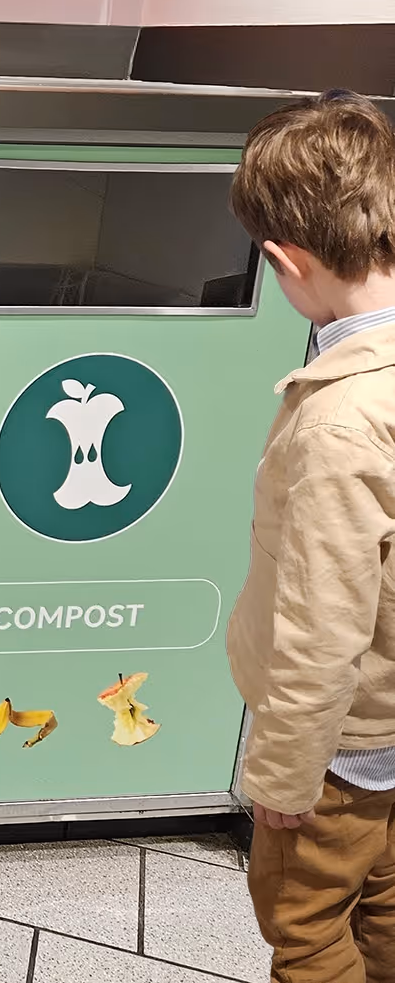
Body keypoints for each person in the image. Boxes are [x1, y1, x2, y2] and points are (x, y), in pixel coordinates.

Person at [228, 88, 395, 982]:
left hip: (341, 748)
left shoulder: (342, 419)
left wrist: (284, 774)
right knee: (389, 910)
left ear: (283, 260)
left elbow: (324, 619)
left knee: (307, 928)